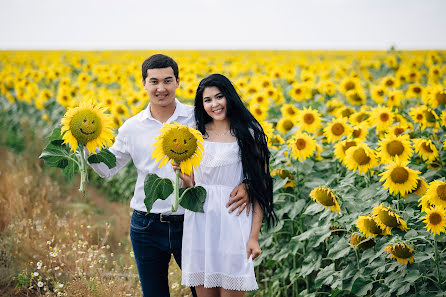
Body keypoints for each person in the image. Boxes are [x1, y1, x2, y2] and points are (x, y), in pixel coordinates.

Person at [86, 55, 250, 297]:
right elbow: (107, 168)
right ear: (144, 84)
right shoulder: (132, 127)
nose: (160, 88)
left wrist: (247, 183)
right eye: (154, 81)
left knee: (204, 293)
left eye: (167, 80)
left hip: (193, 221)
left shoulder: (198, 118)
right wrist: (85, 144)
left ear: (177, 82)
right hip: (147, 225)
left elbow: (233, 147)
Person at [174, 74, 276, 297]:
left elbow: (261, 187)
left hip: (234, 219)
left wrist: (253, 237)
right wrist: (180, 174)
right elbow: (192, 184)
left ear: (229, 97)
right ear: (201, 105)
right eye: (207, 100)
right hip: (200, 222)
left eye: (219, 97)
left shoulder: (249, 134)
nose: (214, 104)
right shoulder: (196, 135)